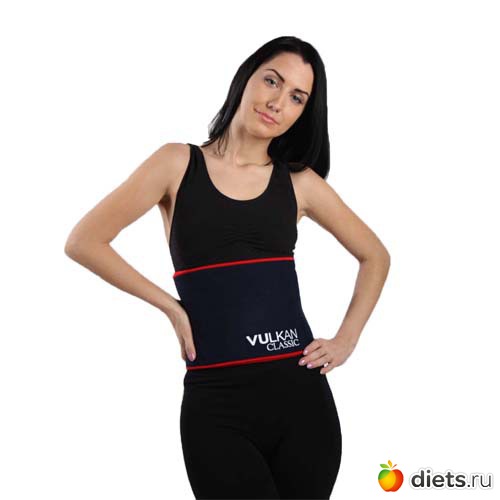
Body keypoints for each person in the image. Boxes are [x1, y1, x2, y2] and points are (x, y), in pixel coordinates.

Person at [65, 35, 390, 499]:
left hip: (302, 402)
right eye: (272, 81)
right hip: (217, 403)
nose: (278, 102)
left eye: (297, 97)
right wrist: (171, 308)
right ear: (246, 77)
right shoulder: (177, 164)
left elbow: (375, 255)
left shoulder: (299, 183)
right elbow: (84, 241)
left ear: (303, 113)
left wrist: (346, 340)